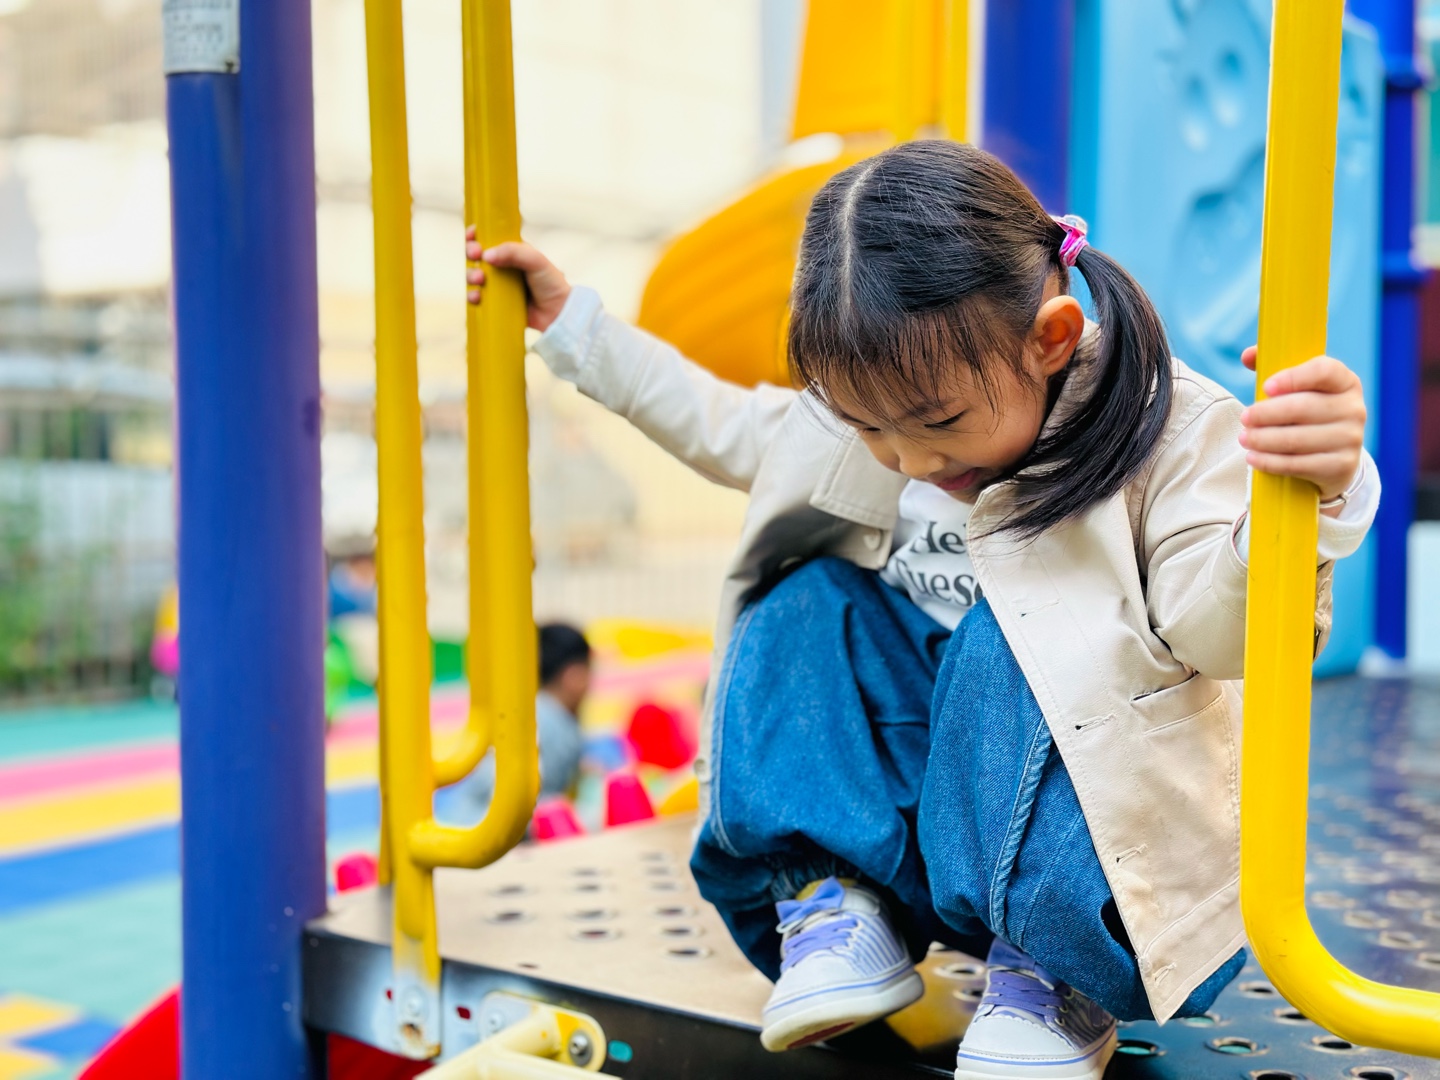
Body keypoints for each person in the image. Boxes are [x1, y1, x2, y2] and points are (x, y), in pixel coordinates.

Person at [464, 141, 1377, 1080]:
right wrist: (574, 328)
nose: (910, 461)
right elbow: (718, 420)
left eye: (938, 423)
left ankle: (1053, 980)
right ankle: (838, 900)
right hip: (942, 845)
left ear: (1051, 338)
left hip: (1106, 873)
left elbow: (1220, 632)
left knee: (1008, 625)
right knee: (805, 599)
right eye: (869, 427)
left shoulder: (1165, 432)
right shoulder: (883, 408)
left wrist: (1309, 503)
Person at [450, 622, 588, 821]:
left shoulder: (535, 710)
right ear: (574, 676)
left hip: (467, 814)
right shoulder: (553, 723)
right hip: (487, 821)